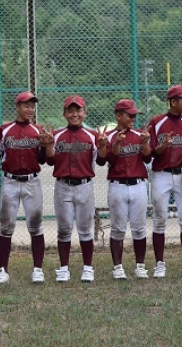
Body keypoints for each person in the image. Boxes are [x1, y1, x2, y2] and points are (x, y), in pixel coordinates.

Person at [0, 91, 52, 284]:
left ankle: (38, 269)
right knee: (6, 227)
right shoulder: (5, 129)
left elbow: (43, 160)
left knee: (35, 225)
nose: (30, 109)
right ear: (17, 107)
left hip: (32, 181)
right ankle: (3, 270)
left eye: (32, 106)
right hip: (10, 181)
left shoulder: (38, 130)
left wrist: (46, 146)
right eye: (26, 106)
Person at [45, 95, 102, 283]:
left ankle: (88, 268)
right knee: (64, 229)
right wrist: (48, 145)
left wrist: (103, 145)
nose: (74, 114)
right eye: (70, 111)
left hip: (85, 185)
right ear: (64, 114)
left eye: (78, 110)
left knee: (85, 229)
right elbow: (50, 161)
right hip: (63, 185)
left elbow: (102, 160)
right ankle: (64, 268)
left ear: (85, 113)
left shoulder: (93, 135)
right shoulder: (56, 135)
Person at [148, 84, 182, 278]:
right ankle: (160, 264)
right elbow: (152, 152)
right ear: (173, 102)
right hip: (161, 174)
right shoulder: (157, 122)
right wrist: (163, 146)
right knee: (159, 220)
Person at [96, 99, 152, 280]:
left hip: (138, 185)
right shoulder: (107, 136)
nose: (133, 118)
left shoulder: (139, 134)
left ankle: (140, 266)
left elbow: (147, 158)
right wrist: (114, 144)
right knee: (118, 229)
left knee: (139, 228)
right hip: (117, 186)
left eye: (135, 115)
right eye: (130, 115)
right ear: (118, 116)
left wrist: (145, 143)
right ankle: (118, 267)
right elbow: (104, 161)